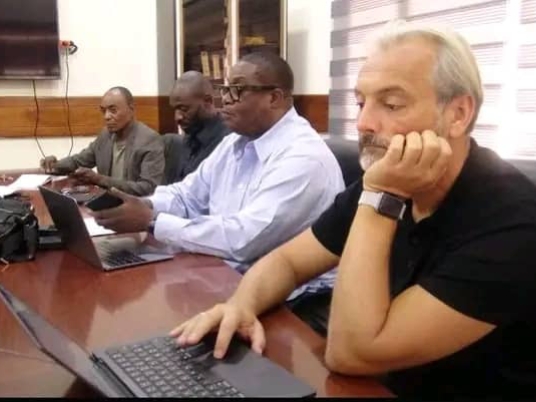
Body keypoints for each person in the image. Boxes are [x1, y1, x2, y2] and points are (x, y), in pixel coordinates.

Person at [170, 20, 536, 398]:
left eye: (391, 104)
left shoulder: (513, 222)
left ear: (458, 114)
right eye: (361, 103)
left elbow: (352, 353)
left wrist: (383, 196)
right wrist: (241, 305)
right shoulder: (389, 177)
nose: (363, 123)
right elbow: (287, 262)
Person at [92, 52, 345, 331]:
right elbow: (186, 195)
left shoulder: (303, 157)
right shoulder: (234, 143)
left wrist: (151, 222)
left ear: (274, 98)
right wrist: (142, 205)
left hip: (297, 302)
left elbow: (244, 239)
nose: (225, 99)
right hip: (230, 276)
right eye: (225, 89)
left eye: (237, 90)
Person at [40, 87, 164, 196]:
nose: (106, 116)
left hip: (135, 207)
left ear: (131, 109)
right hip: (107, 201)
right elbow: (78, 161)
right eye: (104, 111)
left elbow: (147, 188)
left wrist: (99, 179)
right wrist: (54, 165)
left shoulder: (149, 140)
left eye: (113, 110)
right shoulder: (106, 135)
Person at [166, 71, 230, 183]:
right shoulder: (188, 138)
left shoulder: (228, 141)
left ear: (208, 101)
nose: (177, 117)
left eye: (184, 109)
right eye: (175, 110)